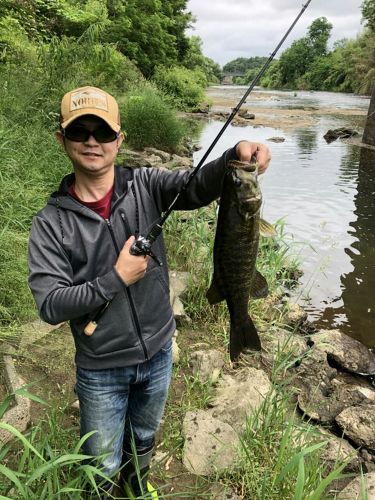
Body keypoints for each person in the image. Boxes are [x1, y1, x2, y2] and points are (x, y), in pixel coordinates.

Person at [28, 86, 271, 498]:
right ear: (62, 140)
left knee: (143, 436)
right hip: (101, 367)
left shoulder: (147, 185)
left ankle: (138, 488)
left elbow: (194, 186)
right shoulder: (51, 223)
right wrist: (115, 277)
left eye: (103, 131)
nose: (92, 140)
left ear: (119, 140)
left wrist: (237, 153)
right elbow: (50, 305)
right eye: (80, 131)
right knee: (100, 462)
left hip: (158, 352)